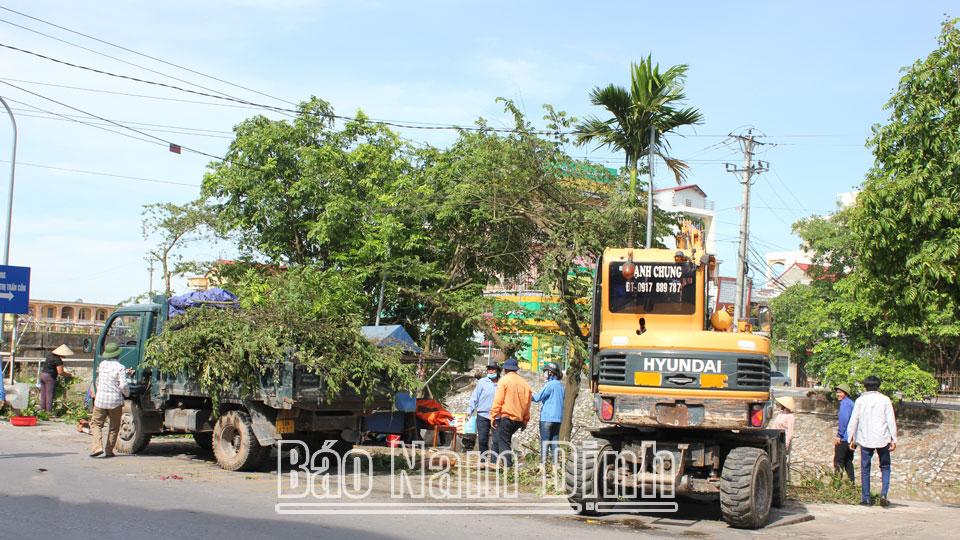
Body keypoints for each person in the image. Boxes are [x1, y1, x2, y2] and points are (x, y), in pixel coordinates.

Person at [847, 375, 898, 507]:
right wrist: (894, 438)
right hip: (883, 438)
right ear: (878, 386)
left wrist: (850, 437)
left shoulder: (860, 401)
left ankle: (866, 499)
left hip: (865, 439)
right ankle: (884, 494)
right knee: (885, 467)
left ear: (865, 386)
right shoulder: (885, 400)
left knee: (865, 468)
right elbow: (890, 420)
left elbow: (854, 420)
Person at [489, 357, 531, 467]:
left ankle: (508, 466)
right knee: (502, 439)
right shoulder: (525, 384)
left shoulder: (504, 380)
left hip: (507, 417)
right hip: (519, 420)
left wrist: (493, 415)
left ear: (505, 369)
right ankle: (496, 462)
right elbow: (527, 405)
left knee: (504, 441)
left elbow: (498, 400)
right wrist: (525, 420)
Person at [90, 343, 129, 458]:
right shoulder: (120, 367)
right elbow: (123, 386)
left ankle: (97, 447)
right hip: (115, 401)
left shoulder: (102, 365)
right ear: (118, 354)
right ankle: (109, 451)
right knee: (114, 426)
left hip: (100, 400)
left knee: (96, 424)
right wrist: (127, 393)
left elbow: (99, 380)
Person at [532, 361, 565, 464]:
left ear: (551, 373)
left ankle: (543, 466)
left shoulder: (550, 385)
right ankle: (555, 466)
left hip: (547, 418)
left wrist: (526, 394)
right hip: (558, 419)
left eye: (545, 371)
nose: (544, 374)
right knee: (555, 443)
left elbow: (537, 398)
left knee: (545, 443)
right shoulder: (561, 386)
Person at [467, 362, 500, 459]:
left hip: (497, 416)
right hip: (483, 415)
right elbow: (474, 397)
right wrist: (470, 410)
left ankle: (495, 461)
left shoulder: (502, 382)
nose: (490, 371)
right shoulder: (482, 382)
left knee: (496, 440)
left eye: (492, 369)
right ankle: (483, 460)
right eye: (489, 369)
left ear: (497, 371)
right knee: (482, 439)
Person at [39, 344, 74, 412]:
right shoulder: (58, 360)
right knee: (49, 395)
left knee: (43, 394)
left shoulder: (49, 355)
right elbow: (61, 372)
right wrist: (69, 375)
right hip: (49, 377)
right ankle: (48, 412)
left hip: (42, 375)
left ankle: (42, 411)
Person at [834, 384, 856, 482]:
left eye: (840, 392)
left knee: (839, 461)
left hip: (844, 438)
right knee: (848, 462)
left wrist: (839, 434)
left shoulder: (845, 404)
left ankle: (836, 484)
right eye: (837, 392)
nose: (838, 394)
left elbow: (844, 420)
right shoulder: (851, 403)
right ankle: (852, 484)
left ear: (845, 394)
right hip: (851, 438)